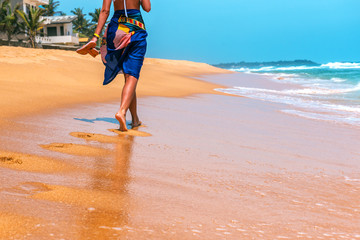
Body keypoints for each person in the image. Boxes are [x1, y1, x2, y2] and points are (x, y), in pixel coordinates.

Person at [76, 0, 151, 131]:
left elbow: (105, 11)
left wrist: (95, 37)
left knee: (128, 79)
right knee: (131, 76)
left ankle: (135, 120)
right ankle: (121, 112)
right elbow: (147, 8)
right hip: (135, 30)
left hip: (116, 30)